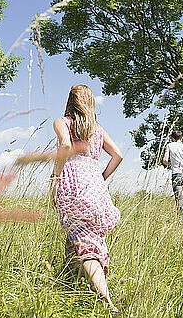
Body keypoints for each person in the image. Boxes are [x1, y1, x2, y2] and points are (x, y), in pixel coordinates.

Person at [51, 85, 123, 312]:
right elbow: (117, 155)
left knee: (83, 243)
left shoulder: (63, 123)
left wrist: (54, 177)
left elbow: (64, 145)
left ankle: (105, 298)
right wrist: (101, 177)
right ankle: (69, 281)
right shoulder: (98, 129)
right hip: (95, 185)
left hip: (72, 182)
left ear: (71, 101)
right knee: (84, 237)